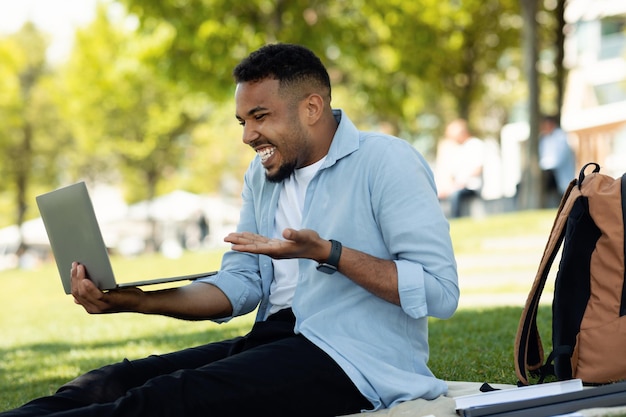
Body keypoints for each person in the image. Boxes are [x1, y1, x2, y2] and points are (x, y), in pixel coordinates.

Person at [1, 43, 459, 417]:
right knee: (108, 382)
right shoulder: (261, 176)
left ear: (312, 108)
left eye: (260, 117)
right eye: (243, 122)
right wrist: (134, 301)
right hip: (275, 339)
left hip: (353, 360)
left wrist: (328, 253)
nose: (247, 136)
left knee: (162, 402)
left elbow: (440, 292)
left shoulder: (387, 162)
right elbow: (239, 285)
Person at [434, 119, 485, 218]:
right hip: (458, 186)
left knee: (455, 195)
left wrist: (461, 183)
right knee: (437, 197)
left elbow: (478, 169)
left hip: (471, 186)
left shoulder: (475, 144)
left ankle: (456, 219)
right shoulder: (458, 149)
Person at [538, 114, 576, 205]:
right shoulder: (544, 139)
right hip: (551, 172)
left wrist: (547, 164)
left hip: (560, 173)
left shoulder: (561, 137)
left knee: (564, 196)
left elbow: (559, 157)